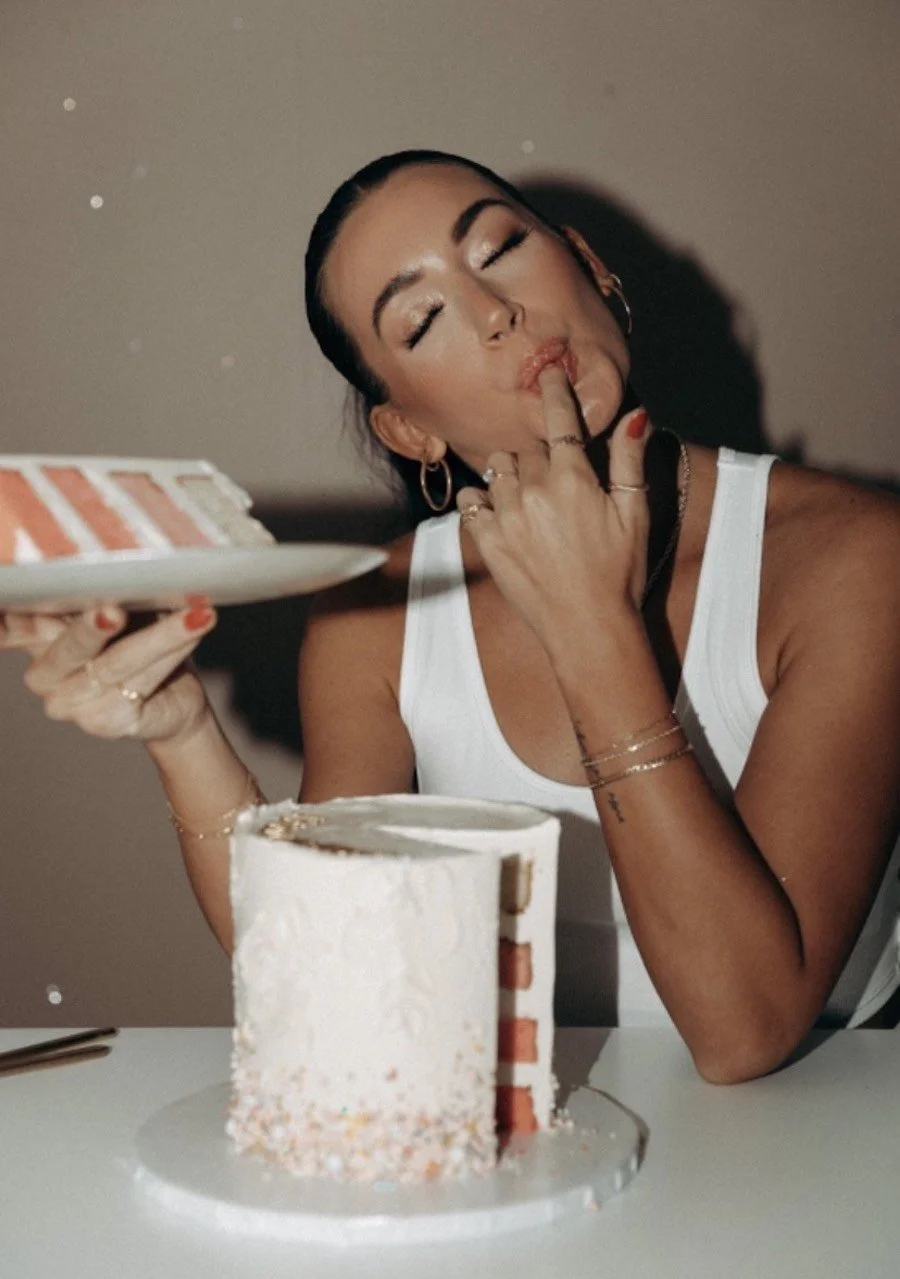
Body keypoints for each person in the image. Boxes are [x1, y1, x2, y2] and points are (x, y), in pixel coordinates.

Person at [4, 150, 899, 1082]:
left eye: (500, 247)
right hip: (526, 1138)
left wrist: (591, 628)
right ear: (410, 430)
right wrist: (183, 731)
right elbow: (320, 961)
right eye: (424, 317)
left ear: (590, 268)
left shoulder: (854, 555)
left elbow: (743, 1028)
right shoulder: (375, 611)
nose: (492, 311)